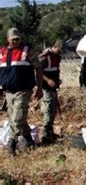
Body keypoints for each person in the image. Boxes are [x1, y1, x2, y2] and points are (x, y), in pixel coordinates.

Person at [0, 28, 43, 156]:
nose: (15, 41)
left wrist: (39, 88)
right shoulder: (2, 52)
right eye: (13, 39)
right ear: (8, 39)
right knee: (18, 118)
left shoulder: (27, 51)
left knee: (17, 117)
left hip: (23, 90)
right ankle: (29, 140)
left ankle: (11, 143)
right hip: (8, 91)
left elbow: (39, 69)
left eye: (17, 38)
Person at [38, 40, 62, 144]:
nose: (60, 52)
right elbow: (39, 71)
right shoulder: (45, 56)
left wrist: (57, 80)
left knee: (53, 109)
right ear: (54, 47)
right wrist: (48, 80)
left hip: (53, 87)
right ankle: (46, 133)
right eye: (59, 50)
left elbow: (55, 69)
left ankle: (50, 131)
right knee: (48, 108)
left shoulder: (57, 56)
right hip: (45, 86)